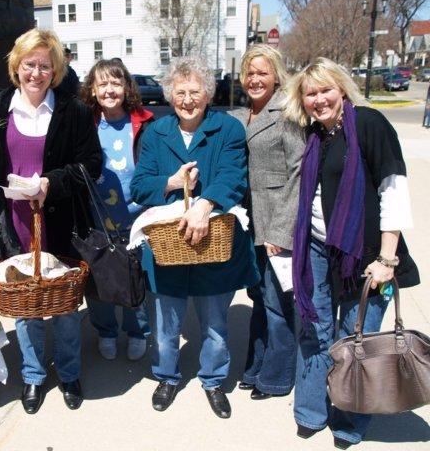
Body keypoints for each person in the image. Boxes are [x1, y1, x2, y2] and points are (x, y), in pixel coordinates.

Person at [283, 57, 419, 449]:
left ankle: (350, 416)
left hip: (367, 255)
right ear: (302, 100)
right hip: (316, 248)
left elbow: (392, 188)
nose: (319, 99)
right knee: (314, 329)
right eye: (311, 93)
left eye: (326, 89)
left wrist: (388, 259)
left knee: (355, 339)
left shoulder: (370, 124)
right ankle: (311, 410)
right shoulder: (315, 135)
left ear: (342, 89)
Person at [130, 56, 260, 419]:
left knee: (216, 326)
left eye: (195, 91)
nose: (188, 99)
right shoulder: (156, 132)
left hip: (213, 245)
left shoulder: (228, 129)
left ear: (208, 94)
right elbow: (140, 186)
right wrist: (171, 182)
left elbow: (234, 175)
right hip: (168, 248)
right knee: (166, 326)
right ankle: (167, 377)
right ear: (170, 96)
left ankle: (214, 380)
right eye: (180, 92)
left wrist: (205, 204)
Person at [0, 29, 102, 414]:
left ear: (56, 71)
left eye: (45, 66)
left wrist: (53, 182)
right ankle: (33, 375)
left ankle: (68, 372)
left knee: (64, 304)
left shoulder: (74, 111)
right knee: (24, 303)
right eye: (29, 64)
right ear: (17, 66)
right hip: (13, 221)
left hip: (61, 220)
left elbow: (92, 166)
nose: (36, 72)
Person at [229, 45, 304, 400]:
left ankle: (276, 378)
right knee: (258, 297)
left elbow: (299, 173)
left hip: (275, 224)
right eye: (250, 73)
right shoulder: (241, 116)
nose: (255, 79)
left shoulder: (287, 113)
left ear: (276, 75)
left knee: (277, 304)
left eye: (263, 72)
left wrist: (282, 231)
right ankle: (255, 366)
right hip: (248, 225)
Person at [79, 59, 154, 361]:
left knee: (136, 279)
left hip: (136, 219)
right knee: (100, 280)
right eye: (103, 84)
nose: (109, 90)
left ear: (126, 87)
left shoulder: (144, 122)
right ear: (93, 89)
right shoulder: (86, 122)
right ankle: (106, 331)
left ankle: (138, 332)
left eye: (116, 83)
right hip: (96, 219)